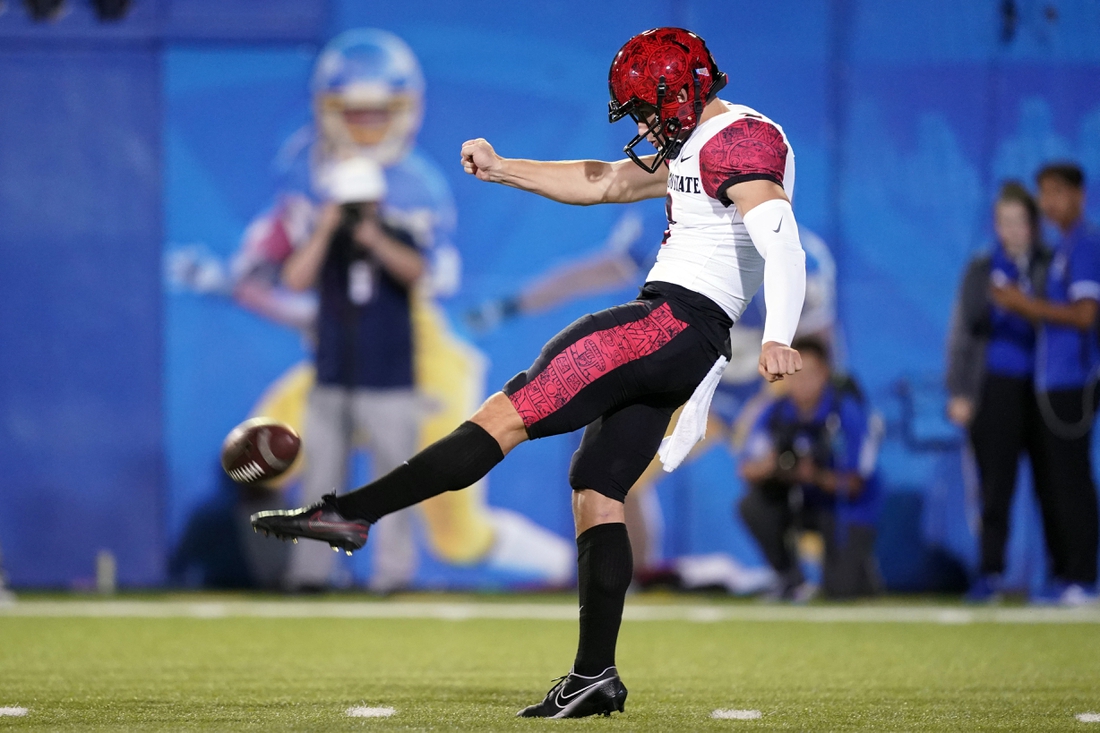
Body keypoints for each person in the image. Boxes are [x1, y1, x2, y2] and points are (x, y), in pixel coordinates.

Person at [252, 27, 806, 717]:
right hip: (686, 343)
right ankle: (594, 675)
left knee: (502, 415)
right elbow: (605, 182)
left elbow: (779, 236)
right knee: (597, 489)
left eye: (644, 108)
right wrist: (505, 166)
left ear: (681, 91)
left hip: (670, 322)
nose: (640, 124)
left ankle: (351, 514)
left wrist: (780, 332)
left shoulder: (742, 139)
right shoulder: (699, 143)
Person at [169, 29, 573, 588]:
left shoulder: (416, 189)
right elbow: (282, 270)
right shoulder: (306, 173)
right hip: (333, 362)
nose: (365, 127)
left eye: (377, 114)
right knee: (261, 459)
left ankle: (558, 568)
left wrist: (374, 232)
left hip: (418, 360)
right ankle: (298, 573)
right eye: (354, 115)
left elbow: (424, 275)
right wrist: (308, 233)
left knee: (454, 532)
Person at [278, 156, 426, 592]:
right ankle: (311, 575)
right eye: (346, 204)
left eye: (360, 203)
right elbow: (294, 280)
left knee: (396, 482)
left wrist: (373, 239)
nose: (354, 211)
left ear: (377, 201)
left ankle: (393, 575)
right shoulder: (324, 242)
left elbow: (415, 272)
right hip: (333, 380)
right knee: (321, 481)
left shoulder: (398, 234)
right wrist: (325, 230)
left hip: (391, 382)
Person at [991, 163, 1100, 605]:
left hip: (1075, 380)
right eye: (1044, 195)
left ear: (1079, 195)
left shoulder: (1085, 244)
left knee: (1072, 481)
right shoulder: (1062, 247)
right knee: (1056, 482)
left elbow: (1086, 315)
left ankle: (1083, 577)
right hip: (1052, 382)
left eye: (1057, 193)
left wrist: (1024, 305)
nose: (1050, 203)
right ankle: (1066, 575)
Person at [945, 181, 1055, 602]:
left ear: (1033, 225)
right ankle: (990, 574)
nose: (1011, 230)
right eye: (1003, 222)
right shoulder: (982, 267)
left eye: (1019, 222)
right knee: (995, 488)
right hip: (994, 389)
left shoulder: (1051, 263)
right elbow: (962, 331)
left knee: (1054, 485)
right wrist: (959, 390)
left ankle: (1058, 576)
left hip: (1048, 390)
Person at [737, 337, 882, 600]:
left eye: (810, 374)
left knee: (842, 591)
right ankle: (788, 577)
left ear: (825, 374)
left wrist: (814, 475)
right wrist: (772, 467)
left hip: (844, 506)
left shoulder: (847, 413)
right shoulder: (775, 413)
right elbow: (747, 469)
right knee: (753, 506)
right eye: (795, 374)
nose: (802, 383)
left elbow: (855, 484)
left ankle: (860, 570)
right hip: (799, 502)